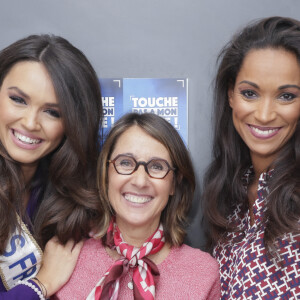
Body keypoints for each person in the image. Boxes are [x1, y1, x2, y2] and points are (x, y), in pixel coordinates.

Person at [55, 112, 220, 300]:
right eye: (125, 163)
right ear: (106, 174)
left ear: (174, 183)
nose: (140, 181)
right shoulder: (67, 258)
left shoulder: (203, 273)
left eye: (157, 166)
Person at [203, 16, 300, 299]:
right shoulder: (230, 197)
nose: (265, 114)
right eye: (250, 93)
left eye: (286, 96)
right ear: (231, 94)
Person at [0, 34, 103, 299]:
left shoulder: (65, 190)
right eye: (18, 100)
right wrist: (41, 284)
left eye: (52, 112)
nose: (31, 123)